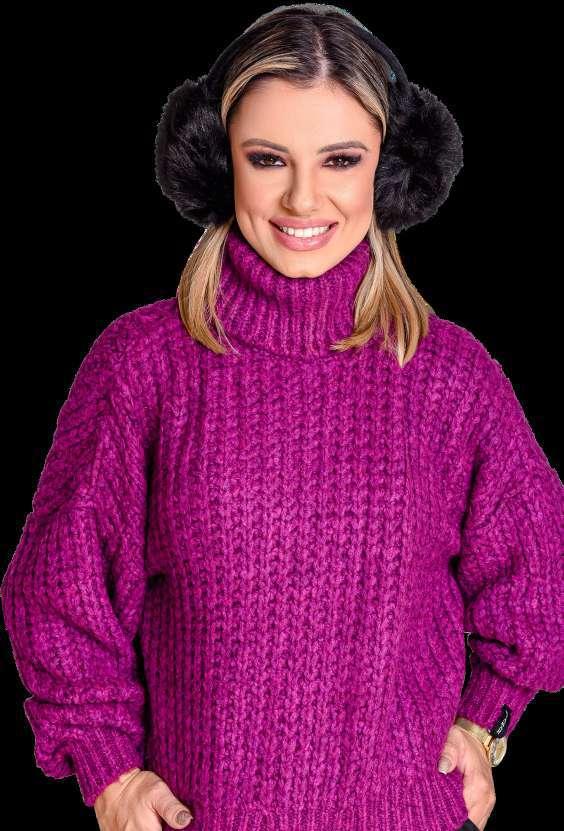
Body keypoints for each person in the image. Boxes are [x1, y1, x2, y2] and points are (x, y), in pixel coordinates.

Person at [1, 5, 562, 831]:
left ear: (392, 170)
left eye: (342, 159)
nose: (304, 197)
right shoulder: (143, 366)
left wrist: (487, 724)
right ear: (217, 162)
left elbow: (533, 571)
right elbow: (61, 589)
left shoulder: (449, 377)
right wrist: (108, 769)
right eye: (267, 158)